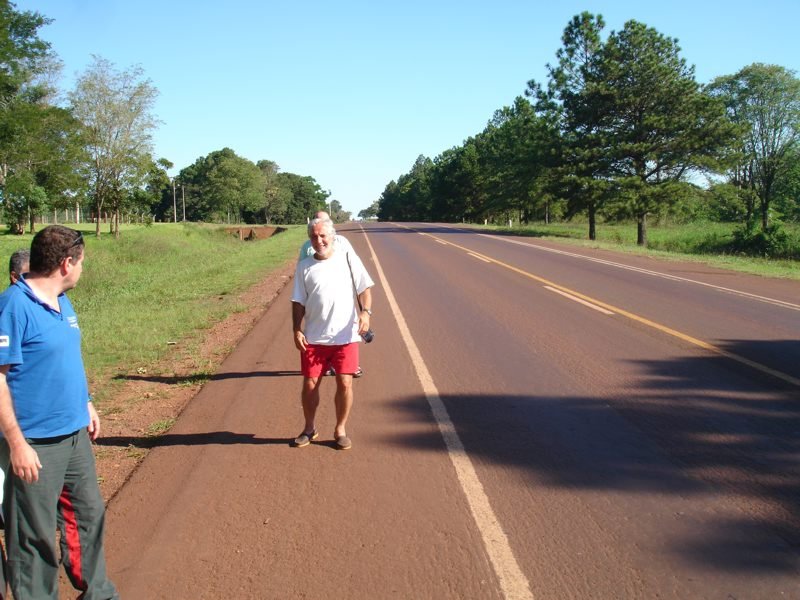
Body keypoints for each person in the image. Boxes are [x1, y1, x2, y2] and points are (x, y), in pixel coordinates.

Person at [0, 225, 118, 599]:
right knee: (33, 537)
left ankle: (98, 592)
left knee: (87, 516)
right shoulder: (13, 306)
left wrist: (86, 401)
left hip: (74, 435)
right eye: (81, 262)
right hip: (36, 443)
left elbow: (67, 356)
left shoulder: (61, 301)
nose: (82, 268)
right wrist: (17, 444)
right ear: (66, 263)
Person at [292, 217, 374, 450]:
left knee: (345, 382)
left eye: (323, 236)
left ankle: (340, 430)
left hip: (345, 336)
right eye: (313, 237)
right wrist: (296, 329)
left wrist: (366, 313)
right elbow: (298, 301)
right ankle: (309, 428)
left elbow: (365, 289)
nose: (318, 241)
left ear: (333, 237)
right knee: (310, 384)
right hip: (314, 337)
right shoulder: (304, 266)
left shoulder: (348, 259)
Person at [298, 210, 364, 378]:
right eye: (317, 221)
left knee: (346, 332)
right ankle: (327, 364)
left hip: (340, 290)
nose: (319, 239)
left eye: (325, 222)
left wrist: (365, 310)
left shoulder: (342, 242)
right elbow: (303, 270)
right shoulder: (307, 246)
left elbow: (355, 268)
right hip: (317, 293)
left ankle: (350, 365)